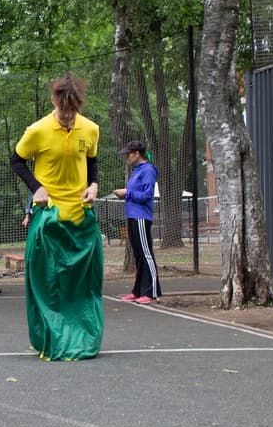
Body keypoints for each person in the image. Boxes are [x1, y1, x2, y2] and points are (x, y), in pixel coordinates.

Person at [10, 72, 104, 361]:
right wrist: (36, 188)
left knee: (83, 282)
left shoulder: (90, 129)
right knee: (47, 280)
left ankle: (83, 334)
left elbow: (92, 161)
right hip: (48, 215)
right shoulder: (37, 130)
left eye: (72, 112)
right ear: (54, 101)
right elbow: (17, 160)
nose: (67, 117)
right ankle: (50, 335)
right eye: (63, 111)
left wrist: (93, 185)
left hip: (80, 215)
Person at [113, 140, 162, 304]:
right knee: (138, 255)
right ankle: (138, 290)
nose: (127, 157)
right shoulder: (137, 171)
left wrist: (127, 193)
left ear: (136, 154)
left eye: (129, 154)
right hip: (132, 216)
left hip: (142, 217)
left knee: (146, 254)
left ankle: (151, 291)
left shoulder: (148, 170)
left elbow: (147, 195)